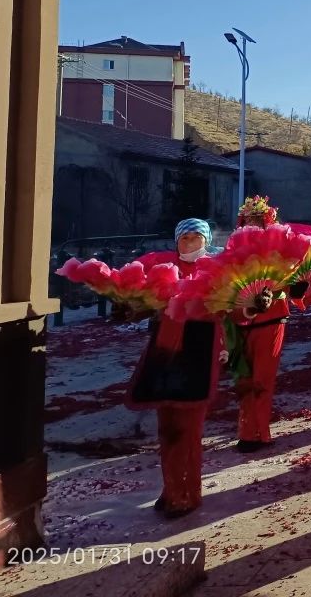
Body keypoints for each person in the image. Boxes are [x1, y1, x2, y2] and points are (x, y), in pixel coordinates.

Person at [127, 219, 220, 518]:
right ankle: (170, 490)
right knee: (167, 428)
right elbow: (141, 307)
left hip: (198, 351)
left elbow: (236, 311)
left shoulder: (218, 269)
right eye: (184, 238)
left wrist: (254, 303)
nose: (190, 243)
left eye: (196, 237)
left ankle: (187, 494)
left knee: (188, 429)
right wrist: (128, 304)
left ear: (206, 240)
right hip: (164, 352)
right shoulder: (162, 267)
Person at [228, 195, 294, 452]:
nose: (252, 224)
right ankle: (246, 431)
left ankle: (259, 432)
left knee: (263, 380)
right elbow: (225, 287)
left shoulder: (280, 250)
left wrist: (279, 292)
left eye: (257, 220)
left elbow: (289, 281)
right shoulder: (232, 252)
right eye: (248, 220)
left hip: (272, 321)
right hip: (241, 323)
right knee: (244, 380)